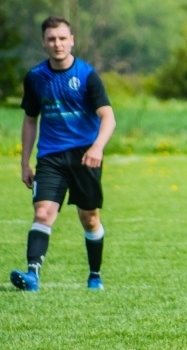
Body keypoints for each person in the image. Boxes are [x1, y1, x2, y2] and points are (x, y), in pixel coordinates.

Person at [10, 16, 116, 292]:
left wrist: (97, 148)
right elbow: (30, 119)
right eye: (51, 39)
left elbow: (108, 117)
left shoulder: (86, 75)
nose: (57, 44)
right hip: (51, 157)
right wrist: (24, 162)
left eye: (62, 38)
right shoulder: (35, 77)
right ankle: (32, 275)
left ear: (72, 40)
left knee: (89, 218)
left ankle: (95, 274)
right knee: (43, 213)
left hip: (85, 155)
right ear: (44, 43)